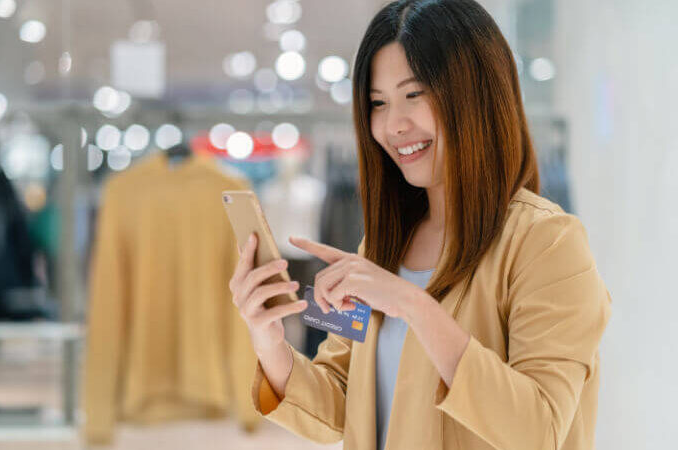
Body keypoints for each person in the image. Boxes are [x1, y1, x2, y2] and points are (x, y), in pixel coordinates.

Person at [229, 1, 611, 449]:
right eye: (378, 103)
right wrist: (270, 341)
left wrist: (415, 306)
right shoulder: (383, 247)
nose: (394, 125)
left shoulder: (546, 242)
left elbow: (540, 429)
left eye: (415, 95)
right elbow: (342, 406)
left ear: (477, 94)